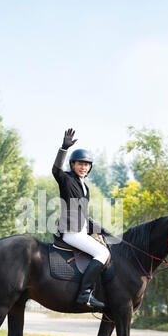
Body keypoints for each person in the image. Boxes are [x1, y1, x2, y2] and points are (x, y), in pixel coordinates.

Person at [52, 128, 111, 310]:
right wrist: (63, 148)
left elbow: (84, 215)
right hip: (71, 231)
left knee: (105, 248)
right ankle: (84, 294)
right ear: (72, 164)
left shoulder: (85, 187)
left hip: (81, 229)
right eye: (80, 164)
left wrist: (103, 231)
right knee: (103, 254)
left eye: (86, 165)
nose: (83, 167)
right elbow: (55, 170)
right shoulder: (67, 179)